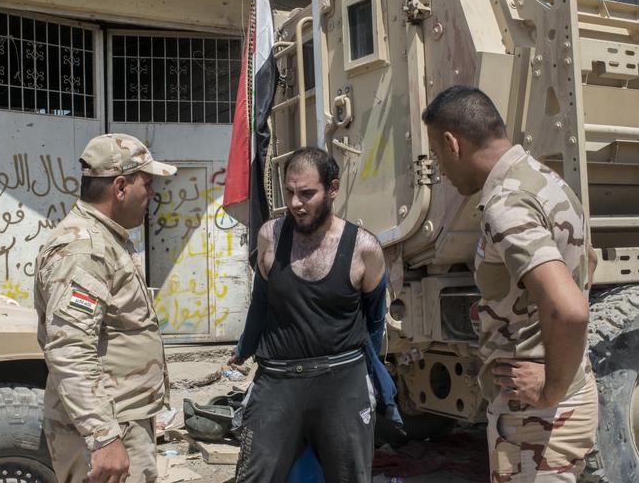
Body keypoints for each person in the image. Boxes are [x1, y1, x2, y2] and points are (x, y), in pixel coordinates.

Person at [422, 85, 598, 482]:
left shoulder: (506, 204)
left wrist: (551, 387)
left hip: (538, 417)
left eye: (436, 155)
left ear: (453, 143)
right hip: (565, 401)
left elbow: (570, 310)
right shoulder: (544, 179)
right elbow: (585, 262)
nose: (440, 171)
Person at [229, 146, 396, 483]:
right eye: (289, 192)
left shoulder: (364, 249)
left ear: (333, 189)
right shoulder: (269, 237)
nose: (295, 203)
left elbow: (374, 319)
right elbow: (261, 303)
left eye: (307, 193)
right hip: (277, 381)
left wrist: (364, 369)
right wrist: (244, 348)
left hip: (341, 382)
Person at [34, 133, 177, 483]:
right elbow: (70, 348)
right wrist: (104, 437)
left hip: (121, 419)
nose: (152, 194)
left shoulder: (106, 239)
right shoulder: (85, 250)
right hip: (107, 429)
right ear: (120, 186)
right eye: (147, 183)